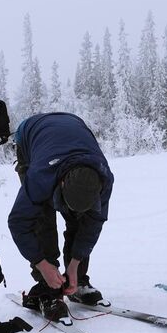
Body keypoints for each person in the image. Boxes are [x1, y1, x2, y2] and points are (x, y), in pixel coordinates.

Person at [8, 112, 114, 320]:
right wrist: (42, 263)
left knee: (81, 219)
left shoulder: (104, 180)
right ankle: (48, 287)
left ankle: (78, 281)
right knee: (42, 218)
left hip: (72, 128)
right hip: (31, 138)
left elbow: (93, 223)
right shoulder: (40, 177)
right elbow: (19, 223)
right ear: (62, 184)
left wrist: (74, 265)